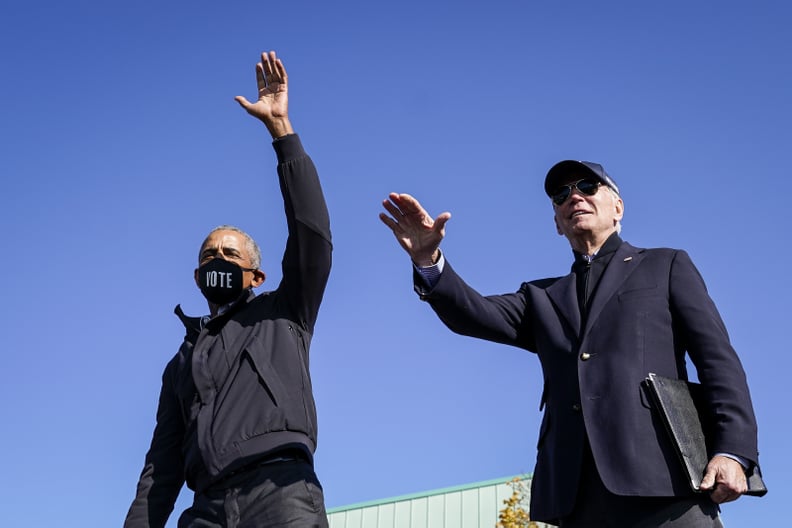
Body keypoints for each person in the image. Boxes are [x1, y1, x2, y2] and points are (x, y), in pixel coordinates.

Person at [379, 161, 762, 527]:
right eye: (561, 195)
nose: (573, 197)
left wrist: (732, 450)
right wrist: (428, 259)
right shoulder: (541, 297)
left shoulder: (666, 265)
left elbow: (718, 361)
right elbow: (472, 313)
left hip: (665, 480)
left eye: (587, 187)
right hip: (577, 495)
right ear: (557, 224)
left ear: (618, 207)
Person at [125, 51, 332, 528]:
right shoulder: (181, 362)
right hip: (207, 508)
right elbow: (161, 468)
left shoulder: (285, 312)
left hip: (282, 492)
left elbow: (312, 234)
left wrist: (282, 133)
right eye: (208, 255)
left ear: (256, 276)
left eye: (230, 255)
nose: (217, 259)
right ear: (197, 276)